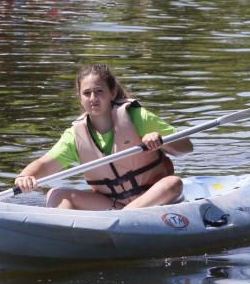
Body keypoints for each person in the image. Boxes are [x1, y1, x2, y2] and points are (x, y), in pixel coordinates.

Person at [14, 64, 193, 210]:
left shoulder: (137, 117)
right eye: (87, 93)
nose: (93, 98)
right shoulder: (75, 136)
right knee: (56, 193)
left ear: (112, 93)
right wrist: (26, 175)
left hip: (153, 199)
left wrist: (162, 140)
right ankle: (64, 236)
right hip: (112, 206)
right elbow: (45, 164)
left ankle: (125, 218)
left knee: (173, 183)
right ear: (80, 97)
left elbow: (186, 147)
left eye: (99, 91)